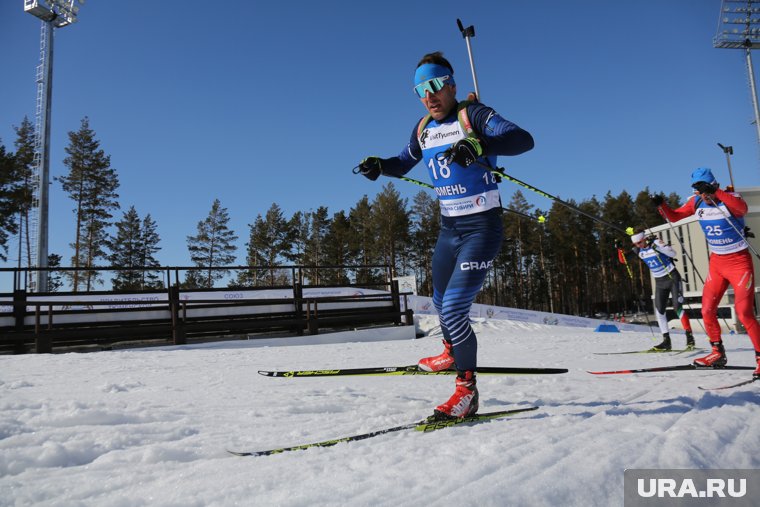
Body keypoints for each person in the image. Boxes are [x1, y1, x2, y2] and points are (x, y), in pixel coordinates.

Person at [356, 52, 534, 419]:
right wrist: (380, 166)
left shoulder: (475, 116)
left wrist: (481, 144)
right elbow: (403, 162)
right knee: (439, 302)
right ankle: (452, 351)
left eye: (435, 85)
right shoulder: (423, 128)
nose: (429, 95)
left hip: (482, 228)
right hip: (449, 230)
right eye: (421, 89)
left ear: (452, 84)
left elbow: (522, 139)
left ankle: (467, 392)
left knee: (454, 308)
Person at [652, 167, 760, 379]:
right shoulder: (696, 202)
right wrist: (661, 205)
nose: (703, 194)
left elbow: (742, 209)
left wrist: (716, 192)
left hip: (739, 264)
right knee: (707, 310)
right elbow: (673, 217)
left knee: (745, 311)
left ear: (713, 185)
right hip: (717, 264)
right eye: (698, 189)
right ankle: (717, 353)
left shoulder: (729, 198)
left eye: (705, 188)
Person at [622, 230, 695, 351]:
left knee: (678, 307)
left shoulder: (656, 242)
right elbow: (624, 260)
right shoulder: (638, 250)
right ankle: (666, 341)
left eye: (640, 242)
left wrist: (657, 247)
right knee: (659, 311)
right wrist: (619, 249)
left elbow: (673, 253)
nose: (638, 245)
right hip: (660, 282)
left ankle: (690, 338)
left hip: (672, 277)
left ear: (644, 239)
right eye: (635, 244)